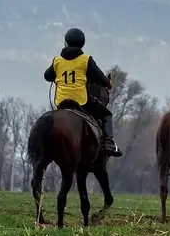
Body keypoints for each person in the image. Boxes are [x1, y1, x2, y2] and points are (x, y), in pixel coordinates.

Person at [43, 27, 122, 157]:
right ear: (82, 44)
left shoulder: (57, 61)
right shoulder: (86, 60)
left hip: (61, 102)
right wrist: (109, 84)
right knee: (107, 115)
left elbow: (47, 76)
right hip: (81, 102)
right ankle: (109, 143)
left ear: (66, 42)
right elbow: (101, 79)